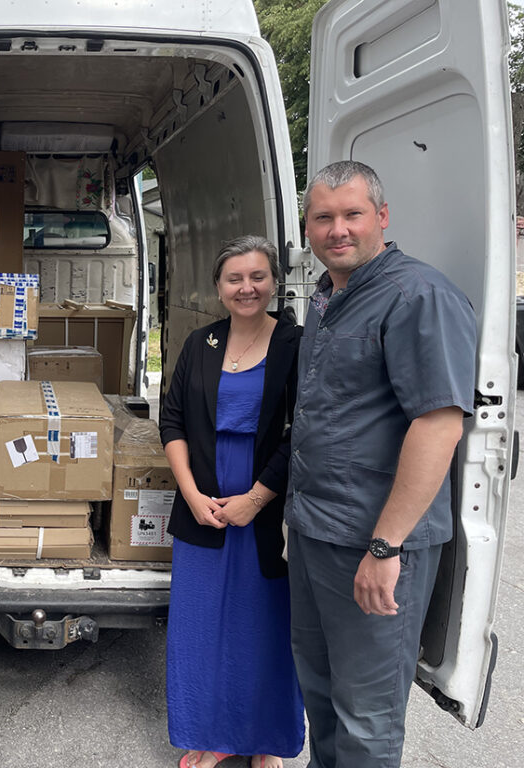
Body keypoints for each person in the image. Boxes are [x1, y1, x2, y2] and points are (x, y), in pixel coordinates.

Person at [286, 161, 477, 767]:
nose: (337, 229)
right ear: (308, 228)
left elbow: (439, 423)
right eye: (323, 218)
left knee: (367, 716)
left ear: (382, 218)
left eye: (352, 215)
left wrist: (386, 548)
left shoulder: (417, 295)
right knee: (319, 693)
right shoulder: (326, 298)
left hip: (375, 543)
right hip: (318, 532)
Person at [160, 236, 305, 768]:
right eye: (235, 278)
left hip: (265, 503)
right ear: (218, 287)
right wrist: (192, 493)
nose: (247, 287)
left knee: (262, 625)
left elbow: (305, 431)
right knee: (200, 628)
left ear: (273, 281)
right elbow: (171, 420)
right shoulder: (201, 343)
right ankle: (211, 732)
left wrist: (256, 498)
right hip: (204, 503)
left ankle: (264, 739)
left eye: (257, 277)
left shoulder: (296, 344)